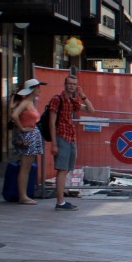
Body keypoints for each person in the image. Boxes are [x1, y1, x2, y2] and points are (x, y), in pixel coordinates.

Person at [46, 73, 96, 211]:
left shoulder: (71, 101)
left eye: (74, 84)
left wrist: (83, 95)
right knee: (62, 169)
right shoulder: (57, 100)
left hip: (71, 137)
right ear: (65, 84)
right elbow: (51, 122)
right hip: (61, 137)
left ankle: (61, 200)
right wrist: (54, 143)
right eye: (69, 83)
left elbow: (91, 110)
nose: (72, 86)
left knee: (66, 169)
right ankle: (60, 202)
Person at [10, 79, 47, 205]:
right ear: (33, 89)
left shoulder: (30, 102)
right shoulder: (26, 102)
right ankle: (23, 195)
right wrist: (22, 128)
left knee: (27, 167)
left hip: (31, 135)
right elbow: (14, 115)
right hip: (28, 136)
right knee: (25, 167)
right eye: (38, 88)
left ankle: (24, 194)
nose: (40, 90)